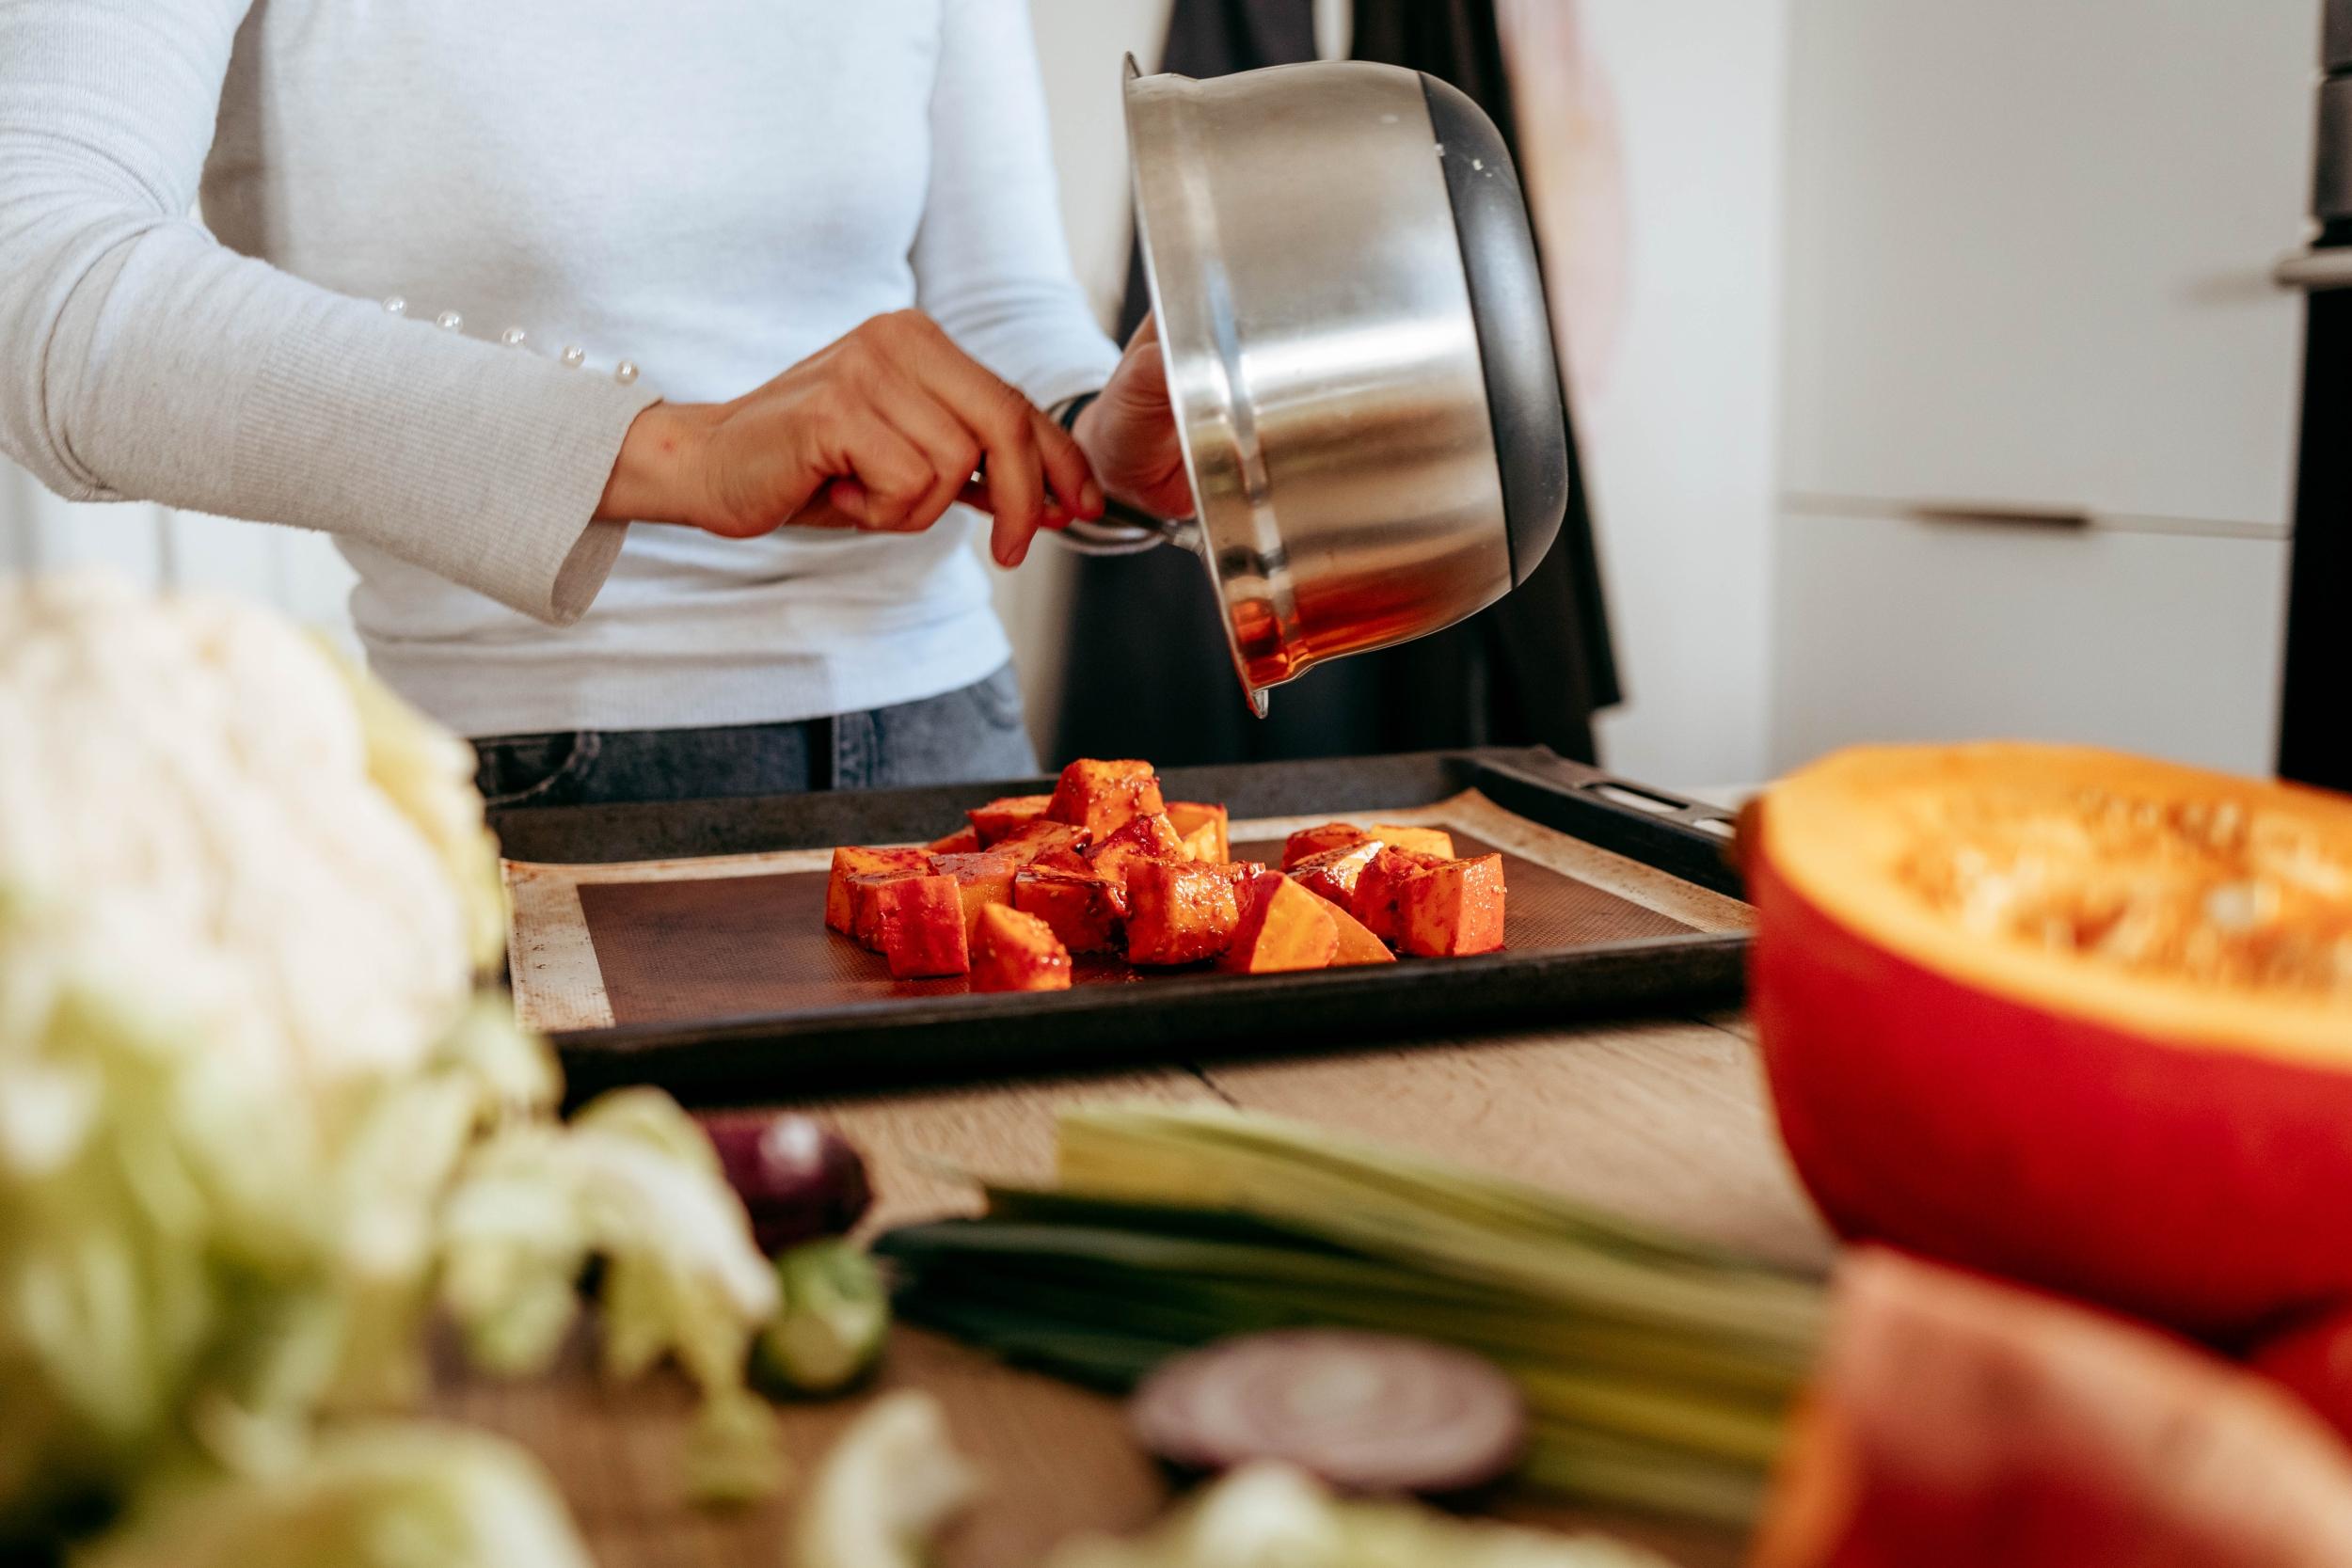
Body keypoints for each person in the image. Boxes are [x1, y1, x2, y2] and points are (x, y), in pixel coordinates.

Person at [0, 2, 1192, 805]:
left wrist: (1093, 435)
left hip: (957, 746)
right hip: (539, 786)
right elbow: (36, 269)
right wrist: (669, 451)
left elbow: (996, 301)